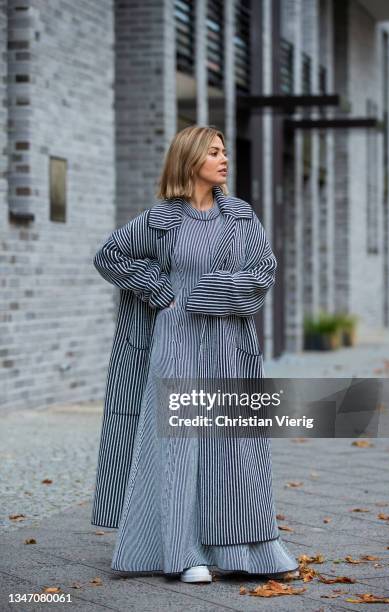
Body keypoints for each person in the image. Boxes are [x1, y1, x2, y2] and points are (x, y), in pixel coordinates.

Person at [91, 125, 299, 583]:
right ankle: (184, 553)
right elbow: (110, 256)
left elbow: (263, 273)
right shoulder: (159, 221)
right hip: (176, 342)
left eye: (225, 151)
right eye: (213, 152)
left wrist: (217, 291)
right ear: (189, 160)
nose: (224, 159)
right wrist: (154, 286)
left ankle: (251, 550)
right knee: (180, 447)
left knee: (234, 447)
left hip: (228, 345)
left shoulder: (241, 217)